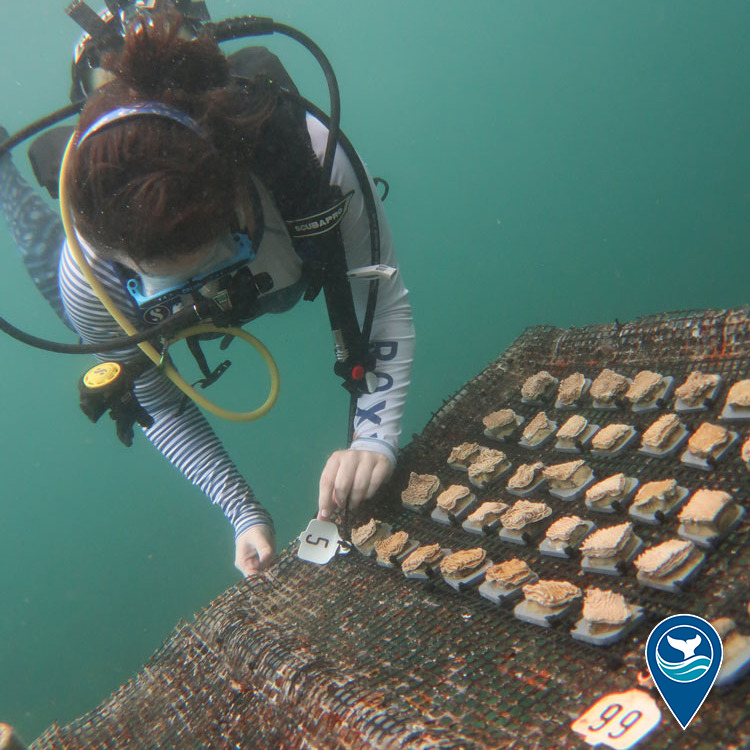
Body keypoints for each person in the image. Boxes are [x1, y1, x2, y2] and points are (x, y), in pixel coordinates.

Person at [0, 7, 414, 576]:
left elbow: (379, 298)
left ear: (236, 191)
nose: (202, 292)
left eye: (214, 255)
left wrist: (374, 437)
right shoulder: (92, 273)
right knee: (46, 262)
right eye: (162, 276)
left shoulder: (313, 164)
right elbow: (158, 403)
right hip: (103, 284)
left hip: (270, 208)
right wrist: (241, 511)